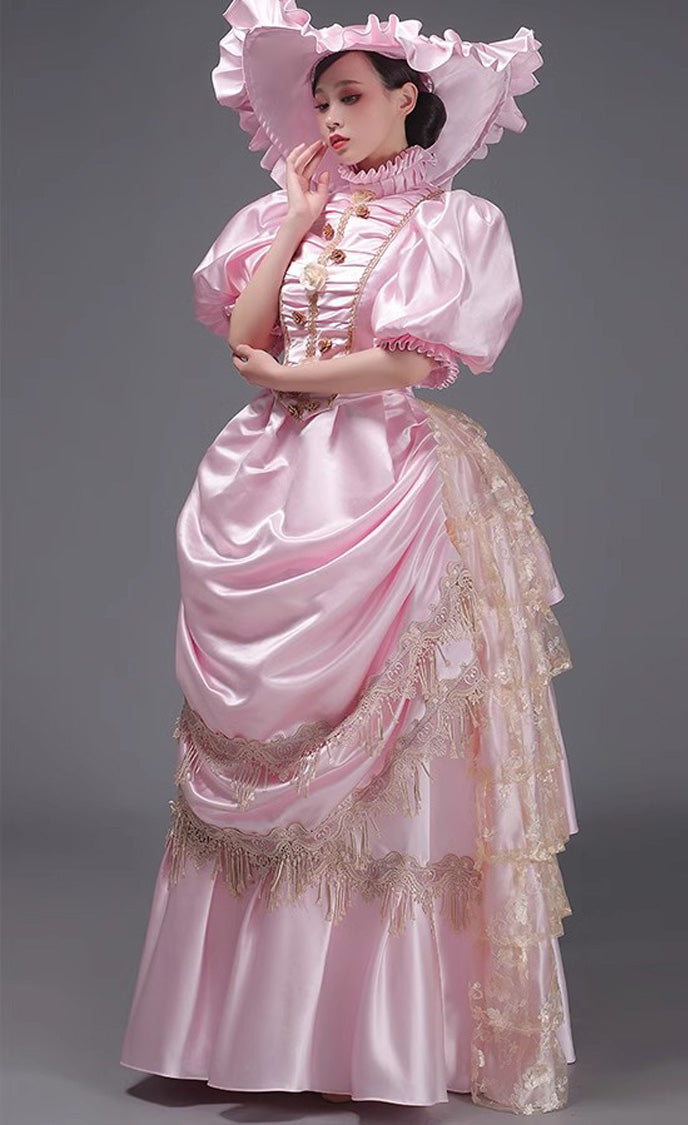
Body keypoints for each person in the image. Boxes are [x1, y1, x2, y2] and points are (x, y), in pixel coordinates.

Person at [120, 1, 579, 1115]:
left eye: (351, 97)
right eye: (320, 100)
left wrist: (295, 381)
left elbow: (414, 366)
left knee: (395, 747)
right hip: (273, 478)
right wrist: (292, 222)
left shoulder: (457, 223)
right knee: (261, 739)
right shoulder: (282, 211)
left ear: (408, 99)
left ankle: (379, 1045)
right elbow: (246, 339)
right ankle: (236, 1035)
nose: (328, 117)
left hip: (386, 479)